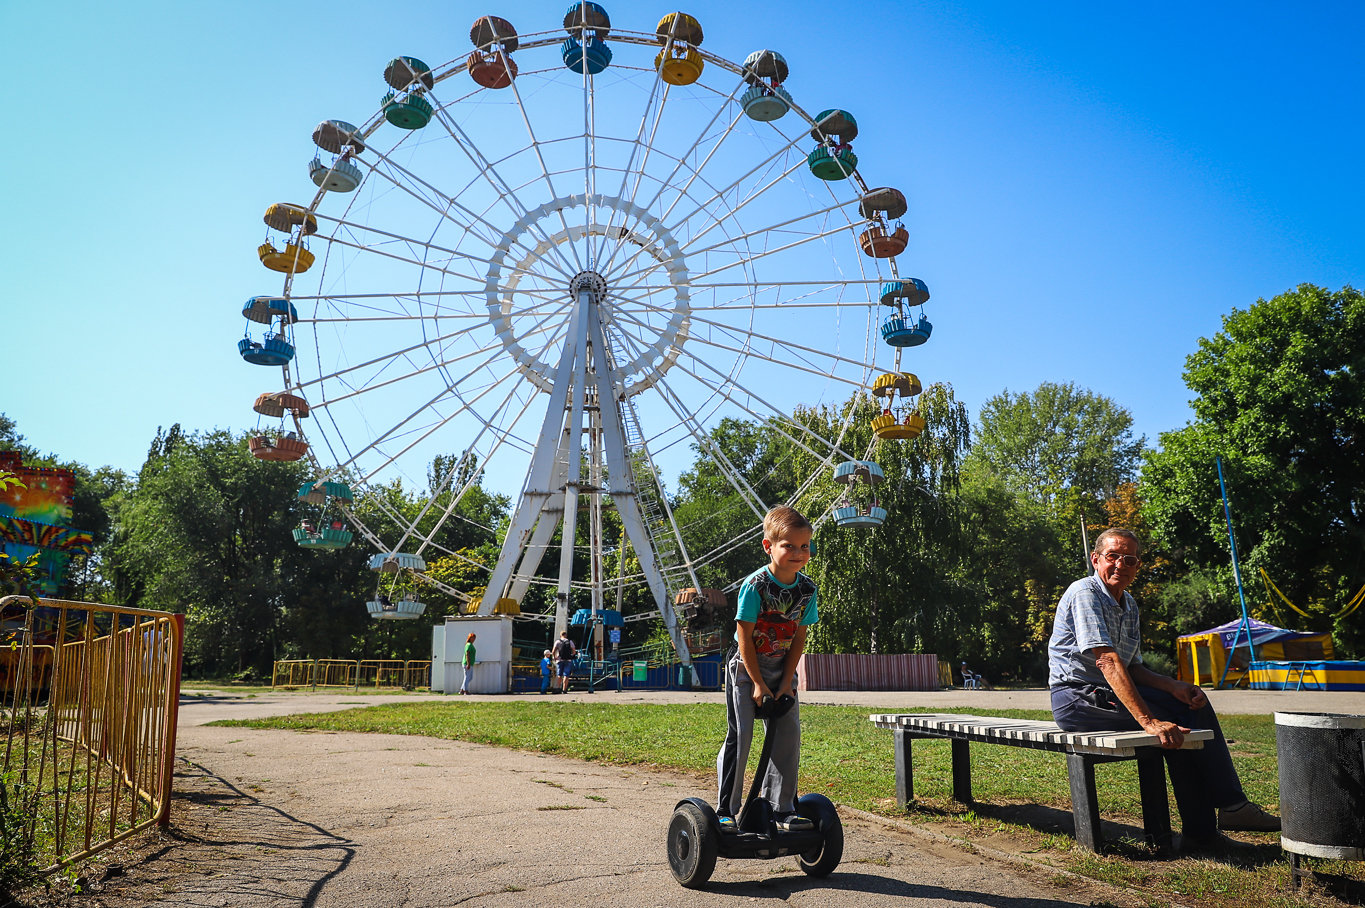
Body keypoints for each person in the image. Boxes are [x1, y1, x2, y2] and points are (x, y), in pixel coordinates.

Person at [1048, 528, 1279, 851]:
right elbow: (1107, 661)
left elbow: (1132, 668)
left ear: (1137, 566)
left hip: (1108, 693)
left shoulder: (1128, 604)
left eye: (1129, 559)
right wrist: (1149, 721)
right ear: (1096, 559)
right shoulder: (1085, 592)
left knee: (1191, 705)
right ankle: (1223, 814)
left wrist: (1175, 686)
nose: (1120, 565)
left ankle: (1210, 826)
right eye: (1113, 556)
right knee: (1172, 722)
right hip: (1076, 698)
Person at [715, 505, 819, 833]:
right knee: (742, 735)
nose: (798, 553)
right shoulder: (755, 585)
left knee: (788, 736)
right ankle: (726, 810)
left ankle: (782, 808)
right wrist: (758, 683)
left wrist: (787, 681)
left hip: (782, 666)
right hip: (746, 667)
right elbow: (744, 637)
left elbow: (799, 637)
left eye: (805, 546)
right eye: (789, 546)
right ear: (768, 546)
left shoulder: (807, 590)